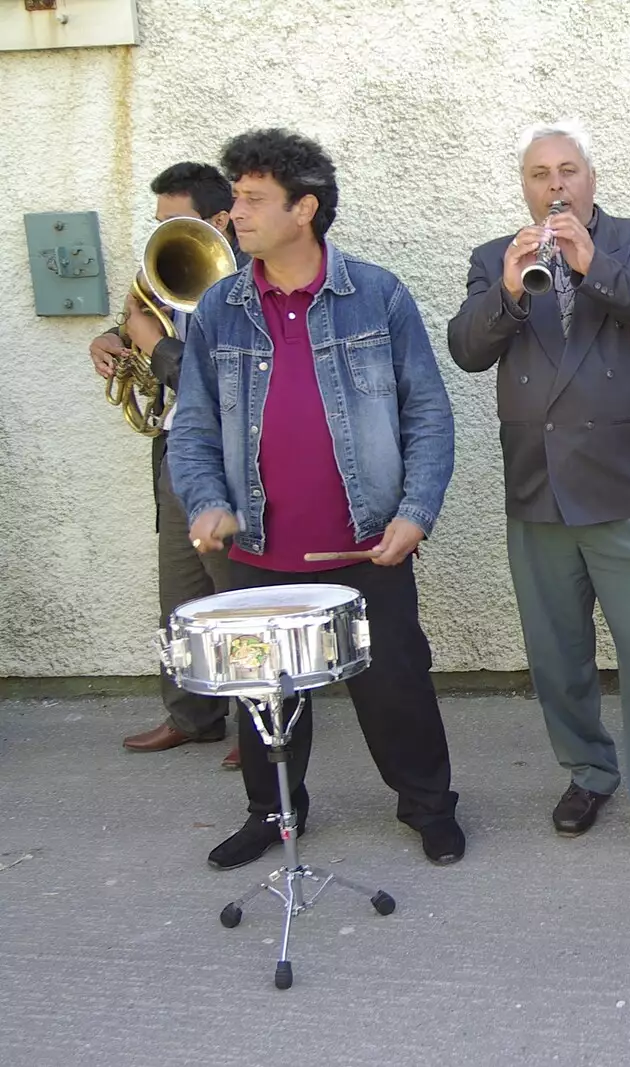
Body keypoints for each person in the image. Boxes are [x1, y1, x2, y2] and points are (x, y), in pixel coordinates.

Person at [168, 129, 465, 870]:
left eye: (251, 198)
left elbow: (427, 413)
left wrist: (414, 514)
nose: (235, 212)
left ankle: (428, 807)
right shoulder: (218, 309)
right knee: (261, 697)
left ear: (305, 208)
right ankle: (272, 812)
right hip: (258, 549)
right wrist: (204, 499)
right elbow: (194, 425)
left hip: (366, 542)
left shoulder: (378, 294)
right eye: (235, 197)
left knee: (395, 685)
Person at [445, 119, 630, 864]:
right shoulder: (493, 257)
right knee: (557, 656)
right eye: (538, 173)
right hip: (537, 488)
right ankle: (588, 770)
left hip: (623, 484)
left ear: (591, 176)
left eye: (566, 170)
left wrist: (597, 267)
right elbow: (467, 351)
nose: (553, 185)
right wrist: (507, 288)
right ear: (522, 184)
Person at [89, 163, 247, 768]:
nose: (160, 236)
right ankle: (192, 715)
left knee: (237, 596)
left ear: (219, 222)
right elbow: (148, 327)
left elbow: (213, 379)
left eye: (173, 223)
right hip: (179, 453)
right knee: (181, 597)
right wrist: (114, 335)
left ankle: (258, 728)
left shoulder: (253, 285)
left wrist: (149, 342)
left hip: (236, 456)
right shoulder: (170, 274)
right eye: (158, 224)